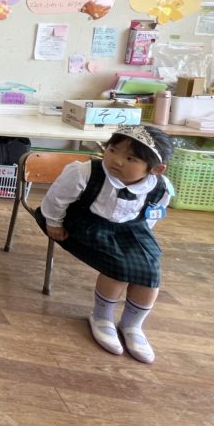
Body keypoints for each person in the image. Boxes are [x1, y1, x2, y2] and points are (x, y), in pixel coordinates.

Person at [36, 125, 173, 364]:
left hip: (131, 228)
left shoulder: (160, 187)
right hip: (85, 222)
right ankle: (101, 317)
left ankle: (132, 325)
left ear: (156, 169)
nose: (116, 160)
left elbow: (151, 215)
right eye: (112, 150)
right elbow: (56, 199)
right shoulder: (84, 172)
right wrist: (54, 222)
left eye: (130, 158)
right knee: (118, 267)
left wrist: (138, 241)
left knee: (151, 272)